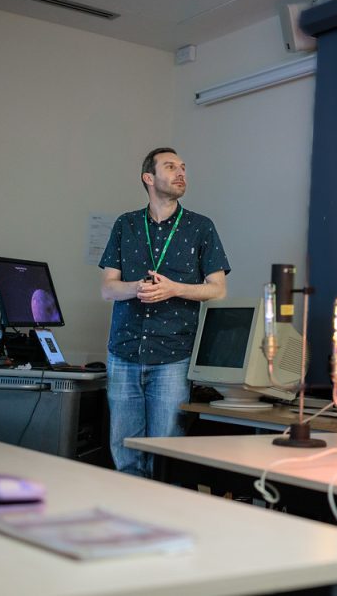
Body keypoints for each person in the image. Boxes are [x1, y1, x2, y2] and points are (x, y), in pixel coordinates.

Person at [99, 147, 229, 477]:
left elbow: (218, 288)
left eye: (183, 167)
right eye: (170, 167)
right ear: (149, 178)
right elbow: (107, 288)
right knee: (124, 451)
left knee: (166, 453)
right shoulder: (125, 224)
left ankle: (161, 522)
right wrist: (136, 288)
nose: (181, 172)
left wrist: (174, 289)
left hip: (173, 356)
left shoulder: (201, 227)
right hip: (124, 352)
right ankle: (129, 522)